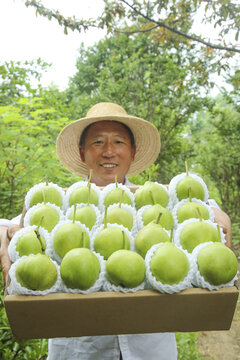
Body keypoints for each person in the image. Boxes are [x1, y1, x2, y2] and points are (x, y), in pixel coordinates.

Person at [0, 102, 232, 360]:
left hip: (148, 349)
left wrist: (217, 213)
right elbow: (12, 226)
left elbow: (196, 209)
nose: (109, 152)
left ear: (133, 152)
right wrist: (4, 236)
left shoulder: (155, 204)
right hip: (81, 350)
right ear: (81, 153)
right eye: (97, 142)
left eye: (119, 142)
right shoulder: (59, 207)